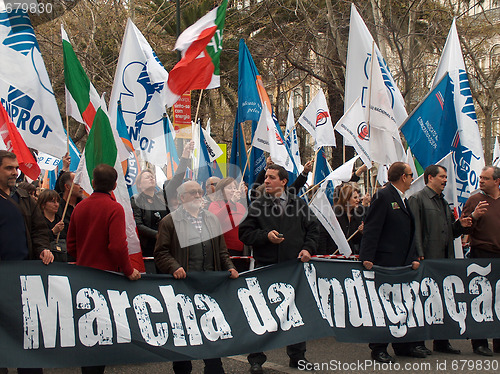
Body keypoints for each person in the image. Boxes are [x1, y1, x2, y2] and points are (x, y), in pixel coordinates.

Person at [238, 164, 319, 373]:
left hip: (293, 269)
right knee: (261, 315)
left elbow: (313, 230)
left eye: (271, 177)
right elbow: (244, 234)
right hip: (266, 268)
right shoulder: (257, 205)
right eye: (266, 177)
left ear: (283, 182)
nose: (266, 180)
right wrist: (265, 236)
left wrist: (308, 249)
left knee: (296, 314)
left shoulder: (299, 204)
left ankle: (298, 357)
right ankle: (256, 360)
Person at [155, 180, 238, 374]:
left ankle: (214, 367)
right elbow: (160, 253)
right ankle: (182, 369)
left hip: (210, 285)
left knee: (212, 328)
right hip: (184, 286)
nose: (199, 196)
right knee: (184, 330)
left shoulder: (211, 219)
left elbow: (222, 251)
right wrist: (174, 266)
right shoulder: (169, 221)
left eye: (200, 192)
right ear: (182, 197)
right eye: (193, 193)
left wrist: (230, 267)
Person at [67, 164, 141, 374]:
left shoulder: (80, 207)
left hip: (82, 275)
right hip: (107, 278)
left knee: (87, 330)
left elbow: (71, 244)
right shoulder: (114, 208)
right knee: (103, 331)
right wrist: (128, 270)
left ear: (92, 183)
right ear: (115, 185)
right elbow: (117, 245)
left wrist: (83, 256)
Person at [408, 164, 476, 355]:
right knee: (422, 301)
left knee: (442, 301)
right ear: (430, 178)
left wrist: (459, 226)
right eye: (443, 177)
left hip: (444, 260)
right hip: (427, 260)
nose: (446, 180)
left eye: (446, 177)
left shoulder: (443, 202)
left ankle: (441, 342)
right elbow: (415, 231)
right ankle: (418, 342)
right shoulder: (417, 199)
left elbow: (449, 233)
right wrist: (418, 254)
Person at [359, 162, 421, 363]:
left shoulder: (404, 199)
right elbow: (372, 227)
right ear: (403, 176)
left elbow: (407, 232)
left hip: (402, 262)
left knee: (401, 305)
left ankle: (402, 345)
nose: (412, 178)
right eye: (411, 175)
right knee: (383, 306)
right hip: (385, 261)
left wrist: (413, 257)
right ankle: (378, 348)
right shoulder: (383, 196)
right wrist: (367, 257)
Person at [0, 151, 53, 374]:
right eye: (8, 168)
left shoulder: (23, 197)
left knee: (28, 336)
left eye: (15, 167)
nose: (15, 172)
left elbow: (39, 229)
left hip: (23, 278)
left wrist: (42, 248)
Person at [462, 165, 499, 356]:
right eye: (480, 177)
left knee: (499, 300)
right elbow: (463, 229)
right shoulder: (475, 200)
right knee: (482, 300)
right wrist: (474, 217)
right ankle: (480, 343)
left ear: (497, 181)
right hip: (481, 255)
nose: (481, 181)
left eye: (485, 178)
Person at [208, 177, 248, 272]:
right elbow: (216, 220)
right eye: (229, 188)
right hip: (224, 252)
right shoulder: (215, 205)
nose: (233, 190)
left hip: (241, 252)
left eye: (234, 188)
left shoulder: (240, 206)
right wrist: (231, 203)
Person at [131, 169, 169, 258]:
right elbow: (138, 225)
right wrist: (157, 235)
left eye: (152, 177)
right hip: (148, 247)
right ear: (139, 184)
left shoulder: (162, 200)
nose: (151, 179)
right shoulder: (136, 200)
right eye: (147, 177)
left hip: (165, 246)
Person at [318, 183, 364, 255]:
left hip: (348, 256)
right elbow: (324, 235)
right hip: (333, 255)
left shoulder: (356, 215)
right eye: (355, 198)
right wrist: (324, 255)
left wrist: (360, 232)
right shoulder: (334, 213)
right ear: (347, 199)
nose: (358, 200)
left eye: (358, 197)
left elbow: (354, 240)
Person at [37, 189, 67, 262]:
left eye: (57, 202)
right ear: (43, 204)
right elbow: (38, 240)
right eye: (52, 202)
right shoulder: (38, 221)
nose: (56, 204)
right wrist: (53, 232)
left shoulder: (62, 220)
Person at [57, 171, 84, 238]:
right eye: (77, 183)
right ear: (67, 187)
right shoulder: (57, 207)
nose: (81, 187)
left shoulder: (84, 206)